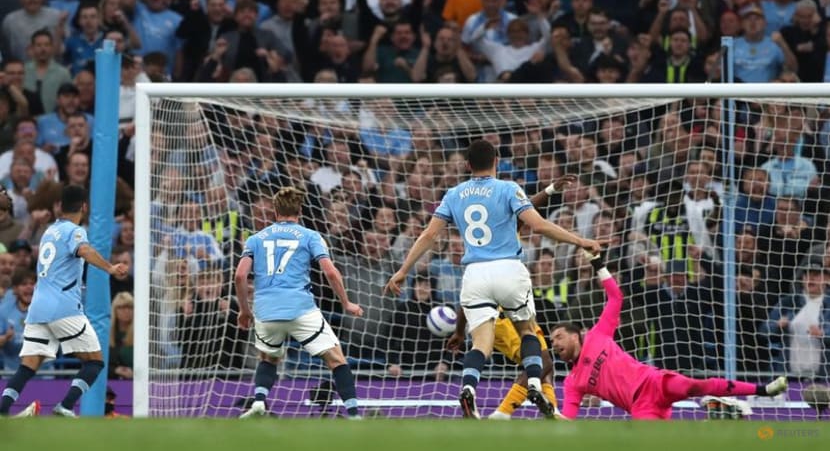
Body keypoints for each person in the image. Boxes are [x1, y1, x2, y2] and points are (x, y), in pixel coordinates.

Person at [384, 140, 607, 419]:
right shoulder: (508, 188)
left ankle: (468, 387)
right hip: (508, 269)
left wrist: (403, 270)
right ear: (497, 161)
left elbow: (429, 235)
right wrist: (580, 240)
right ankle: (535, 383)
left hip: (475, 272)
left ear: (467, 165)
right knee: (527, 331)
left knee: (480, 345)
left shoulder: (454, 194)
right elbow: (536, 224)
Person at [551, 249, 789, 420]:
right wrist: (550, 413)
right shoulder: (572, 382)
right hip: (640, 405)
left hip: (654, 381)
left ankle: (763, 389)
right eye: (552, 341)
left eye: (558, 336)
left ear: (575, 335)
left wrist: (598, 265)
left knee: (697, 385)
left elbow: (616, 297)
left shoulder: (597, 334)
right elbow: (568, 419)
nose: (555, 344)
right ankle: (719, 422)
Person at [234, 186, 364, 419]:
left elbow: (240, 276)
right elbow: (331, 273)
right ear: (300, 210)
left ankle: (259, 403)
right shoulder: (310, 236)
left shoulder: (255, 239)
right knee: (336, 359)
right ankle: (354, 414)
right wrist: (347, 303)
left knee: (269, 358)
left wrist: (244, 310)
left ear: (275, 211)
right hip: (300, 308)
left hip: (266, 310)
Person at [0, 185, 128, 417]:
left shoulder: (50, 231)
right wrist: (109, 267)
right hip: (64, 308)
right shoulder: (74, 231)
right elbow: (85, 250)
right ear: (84, 207)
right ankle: (65, 405)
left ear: (60, 206)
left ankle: (2, 410)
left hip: (38, 308)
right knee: (95, 362)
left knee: (28, 365)